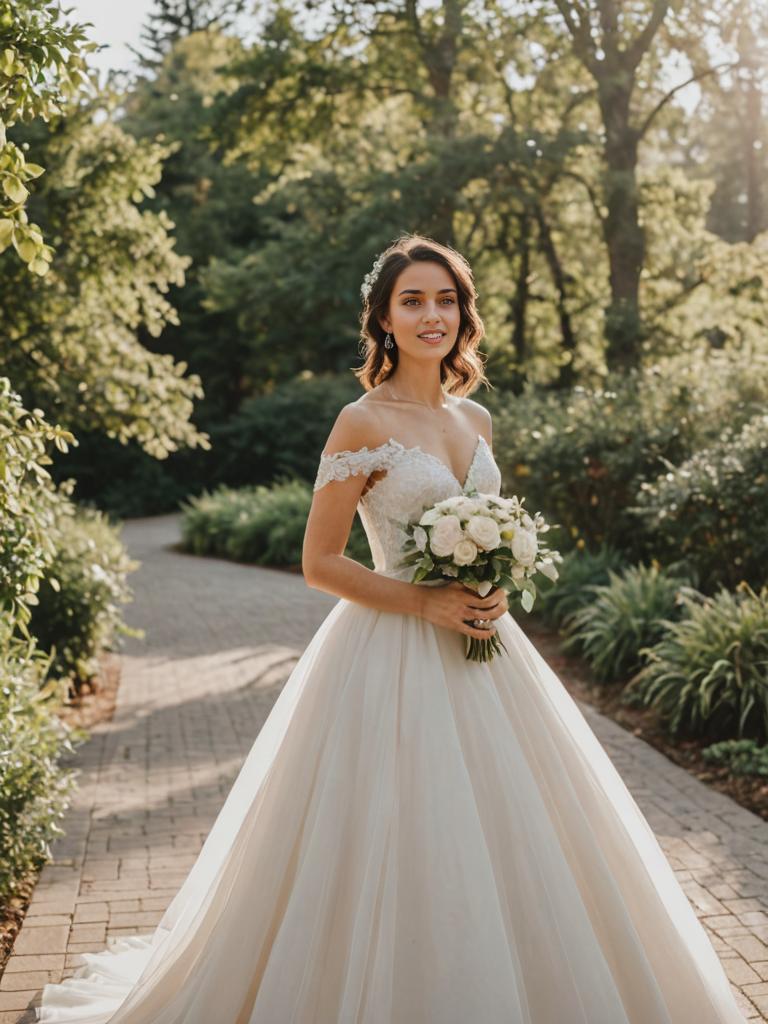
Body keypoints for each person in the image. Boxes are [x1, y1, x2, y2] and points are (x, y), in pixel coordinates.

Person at [36, 233, 748, 1023]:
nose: (431, 314)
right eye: (412, 300)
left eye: (445, 299)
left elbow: (493, 529)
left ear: (463, 314)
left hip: (488, 652)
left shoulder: (476, 415)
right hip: (389, 651)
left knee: (524, 836)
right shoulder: (360, 421)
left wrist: (495, 590)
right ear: (383, 318)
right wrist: (425, 603)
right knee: (399, 835)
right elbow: (319, 562)